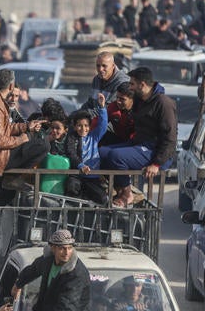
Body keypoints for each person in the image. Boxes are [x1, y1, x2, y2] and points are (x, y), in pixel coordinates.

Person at [0, 69, 49, 206]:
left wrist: (26, 127)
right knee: (43, 145)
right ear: (11, 86)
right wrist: (23, 138)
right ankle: (13, 176)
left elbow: (3, 129)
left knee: (9, 193)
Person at [100, 67, 177, 207]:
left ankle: (128, 195)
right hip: (139, 144)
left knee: (116, 156)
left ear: (142, 84)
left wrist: (156, 164)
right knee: (102, 152)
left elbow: (170, 138)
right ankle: (120, 191)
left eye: (132, 84)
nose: (130, 87)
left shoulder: (163, 104)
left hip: (155, 152)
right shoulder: (140, 100)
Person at [9, 229, 91, 311]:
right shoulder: (48, 261)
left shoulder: (76, 274)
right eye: (62, 248)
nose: (66, 252)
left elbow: (65, 310)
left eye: (69, 248)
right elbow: (33, 270)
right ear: (53, 248)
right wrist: (18, 285)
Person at [65, 94, 108, 205]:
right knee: (72, 191)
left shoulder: (94, 137)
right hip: (77, 174)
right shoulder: (71, 137)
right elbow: (71, 153)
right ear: (74, 126)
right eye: (79, 125)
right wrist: (81, 166)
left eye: (86, 125)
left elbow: (103, 125)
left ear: (90, 126)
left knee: (102, 198)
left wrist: (102, 107)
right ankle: (74, 216)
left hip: (92, 176)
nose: (83, 129)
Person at [78, 52, 130, 119]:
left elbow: (109, 110)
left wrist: (83, 116)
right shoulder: (96, 80)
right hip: (95, 118)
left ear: (113, 66)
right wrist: (76, 114)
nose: (100, 69)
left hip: (114, 122)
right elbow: (90, 103)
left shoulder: (121, 82)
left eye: (104, 66)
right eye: (98, 66)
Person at [101, 82, 134, 146]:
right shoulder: (112, 107)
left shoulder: (139, 112)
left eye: (122, 99)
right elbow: (100, 123)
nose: (118, 101)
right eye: (117, 97)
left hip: (134, 143)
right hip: (119, 139)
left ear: (132, 99)